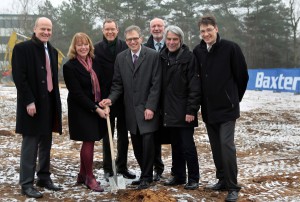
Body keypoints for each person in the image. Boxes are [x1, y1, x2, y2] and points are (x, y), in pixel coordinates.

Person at [193, 15, 249, 202]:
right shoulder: (198, 51)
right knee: (216, 147)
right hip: (209, 109)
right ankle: (222, 179)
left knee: (226, 146)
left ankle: (233, 186)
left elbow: (242, 77)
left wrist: (233, 99)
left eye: (209, 30)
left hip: (227, 109)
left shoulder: (231, 48)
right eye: (202, 31)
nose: (206, 34)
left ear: (216, 29)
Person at [100, 25, 161, 190]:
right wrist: (110, 100)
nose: (133, 42)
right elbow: (118, 84)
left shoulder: (153, 56)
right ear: (125, 41)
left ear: (141, 38)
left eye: (135, 38)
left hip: (148, 109)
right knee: (137, 145)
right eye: (129, 40)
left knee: (148, 143)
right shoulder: (121, 58)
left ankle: (148, 176)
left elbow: (156, 84)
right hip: (131, 111)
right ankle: (144, 174)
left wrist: (151, 107)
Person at [12, 17, 62, 198]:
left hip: (49, 104)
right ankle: (26, 183)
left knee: (46, 143)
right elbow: (19, 77)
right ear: (35, 29)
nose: (46, 32)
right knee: (30, 145)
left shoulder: (53, 51)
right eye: (43, 29)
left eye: (49, 29)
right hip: (32, 105)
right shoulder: (22, 49)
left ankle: (43, 177)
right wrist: (29, 101)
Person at [63, 32, 109, 192]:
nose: (83, 47)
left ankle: (82, 174)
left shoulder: (96, 62)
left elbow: (103, 83)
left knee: (91, 140)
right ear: (74, 47)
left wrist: (104, 102)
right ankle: (89, 177)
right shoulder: (69, 66)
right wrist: (96, 109)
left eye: (85, 44)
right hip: (80, 109)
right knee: (88, 140)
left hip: (96, 106)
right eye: (79, 45)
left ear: (90, 45)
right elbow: (76, 93)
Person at [94, 19, 136, 182]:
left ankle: (122, 166)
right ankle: (107, 168)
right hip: (105, 99)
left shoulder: (125, 46)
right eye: (107, 29)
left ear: (117, 30)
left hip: (124, 98)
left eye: (113, 29)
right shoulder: (96, 49)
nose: (110, 32)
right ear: (103, 30)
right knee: (107, 135)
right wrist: (103, 100)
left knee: (124, 136)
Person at [160, 25, 201, 190]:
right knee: (175, 145)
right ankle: (178, 175)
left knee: (187, 146)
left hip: (185, 111)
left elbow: (195, 86)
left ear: (180, 40)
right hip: (169, 110)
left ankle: (193, 178)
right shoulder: (162, 56)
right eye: (169, 39)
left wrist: (191, 110)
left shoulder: (189, 58)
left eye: (175, 39)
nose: (171, 42)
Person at [144, 17, 166, 181]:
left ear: (164, 28)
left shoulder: (172, 44)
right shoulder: (145, 48)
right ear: (150, 29)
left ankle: (178, 171)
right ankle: (156, 168)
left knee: (173, 135)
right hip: (151, 98)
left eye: (159, 26)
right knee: (153, 136)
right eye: (154, 26)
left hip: (168, 98)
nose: (157, 28)